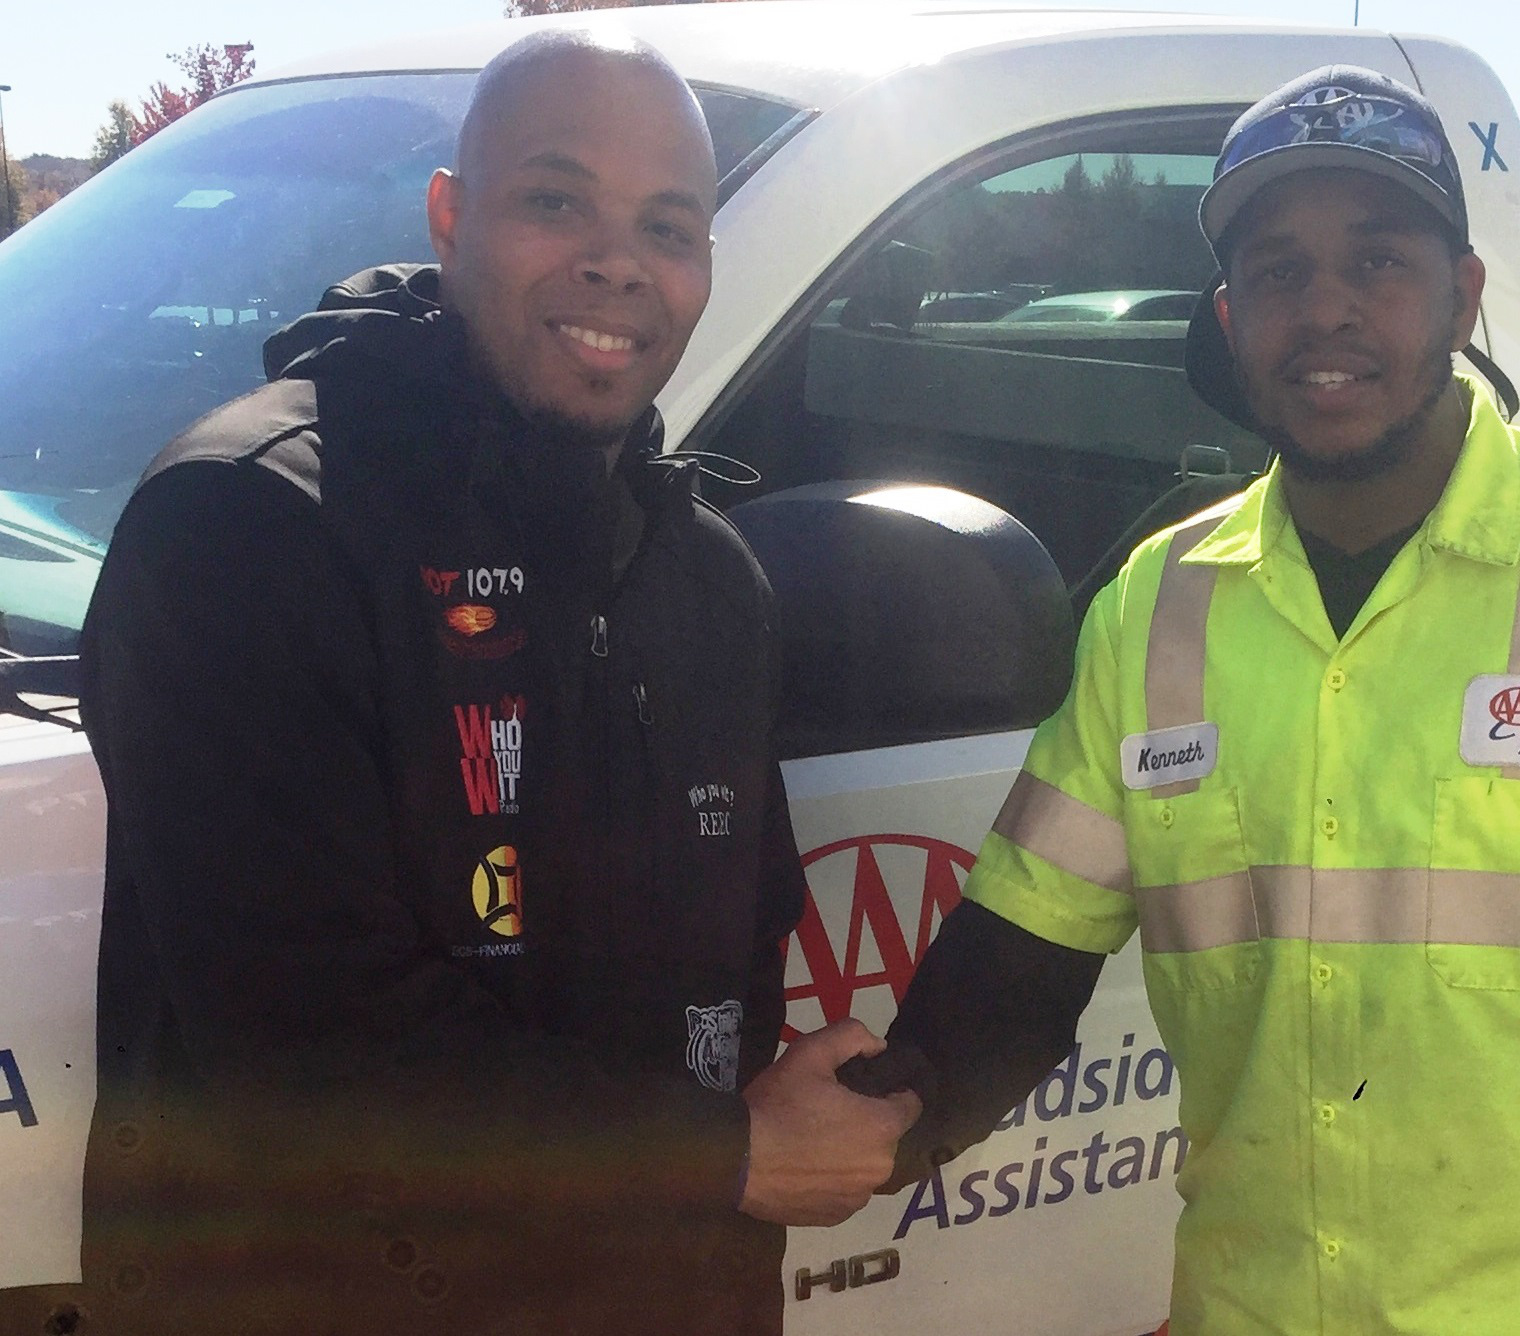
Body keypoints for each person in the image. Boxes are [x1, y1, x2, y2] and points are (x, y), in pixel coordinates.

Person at [858, 67, 1520, 1335]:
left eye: (1379, 262)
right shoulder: (1154, 609)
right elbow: (1020, 958)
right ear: (1230, 318)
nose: (1326, 309)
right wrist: (876, 1119)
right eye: (1279, 272)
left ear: (1463, 299)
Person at [77, 31, 915, 1336]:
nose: (617, 262)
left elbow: (729, 1002)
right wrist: (722, 1160)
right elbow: (310, 1049)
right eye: (556, 200)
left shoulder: (710, 580)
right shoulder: (250, 524)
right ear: (451, 217)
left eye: (666, 226)